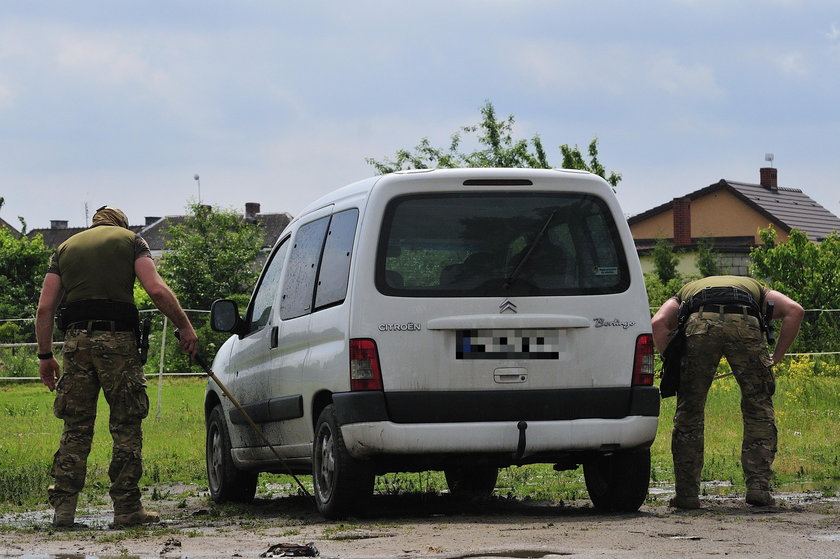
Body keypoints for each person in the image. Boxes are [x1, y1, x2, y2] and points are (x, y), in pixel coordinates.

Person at [35, 206, 198, 528]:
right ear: (120, 223)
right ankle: (126, 510)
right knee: (126, 427)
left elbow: (44, 307)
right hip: (118, 341)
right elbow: (155, 289)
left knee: (76, 428)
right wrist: (184, 326)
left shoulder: (65, 248)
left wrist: (45, 356)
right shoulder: (132, 241)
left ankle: (63, 512)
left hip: (76, 343)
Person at [651, 275, 803, 510]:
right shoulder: (758, 290)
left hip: (698, 324)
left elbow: (658, 323)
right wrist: (777, 357)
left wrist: (672, 361)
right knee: (758, 409)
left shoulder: (686, 291)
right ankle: (759, 489)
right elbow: (795, 310)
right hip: (746, 323)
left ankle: (687, 495)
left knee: (689, 412)